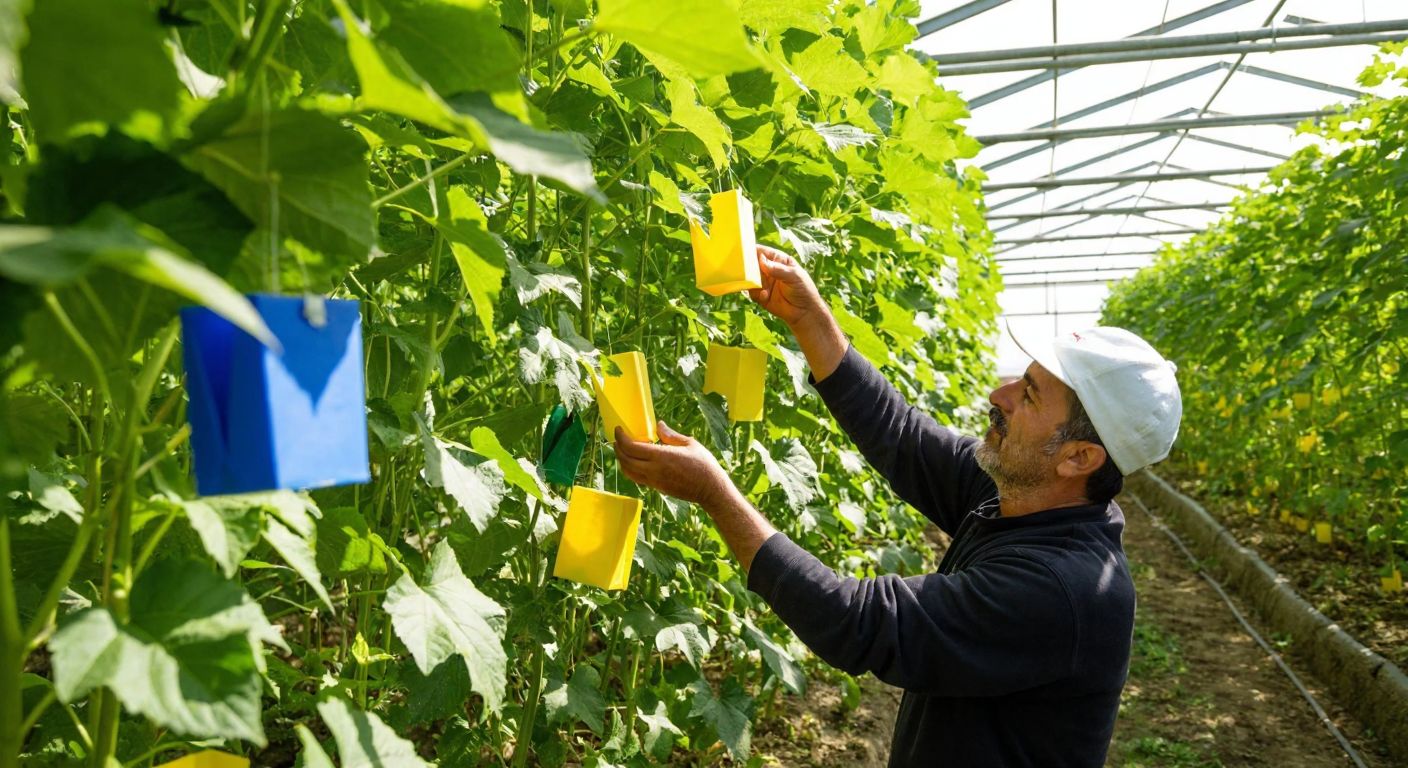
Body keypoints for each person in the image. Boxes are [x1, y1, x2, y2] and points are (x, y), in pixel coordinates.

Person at [612, 245, 1183, 768]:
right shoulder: (1021, 496)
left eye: (1028, 395)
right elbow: (902, 435)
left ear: (1078, 458)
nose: (999, 395)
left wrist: (716, 494)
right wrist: (808, 318)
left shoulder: (1061, 591)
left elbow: (857, 622)